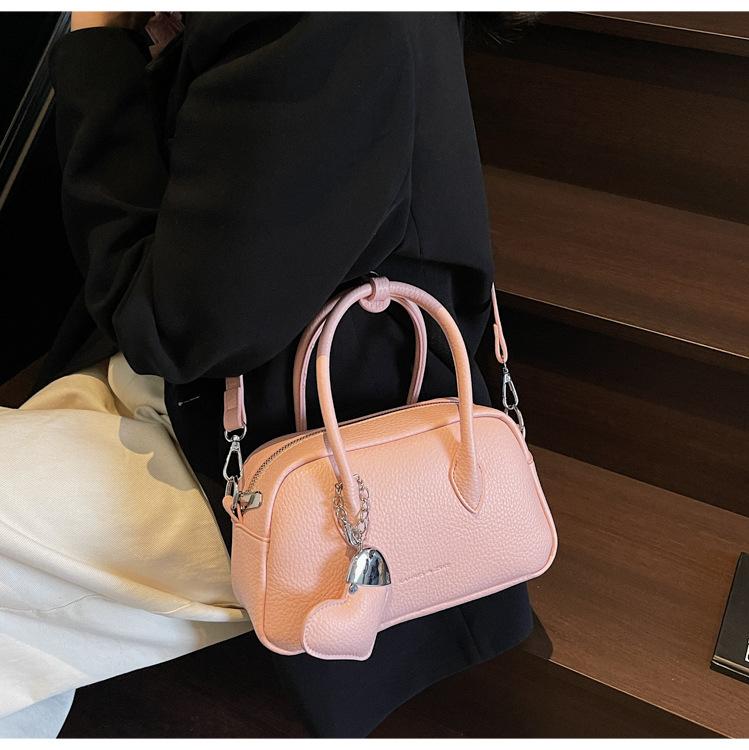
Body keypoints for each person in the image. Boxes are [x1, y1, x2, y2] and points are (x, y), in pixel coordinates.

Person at [1, 11, 536, 738]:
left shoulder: (326, 30)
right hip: (225, 401)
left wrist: (97, 46)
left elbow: (174, 328)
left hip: (286, 467)